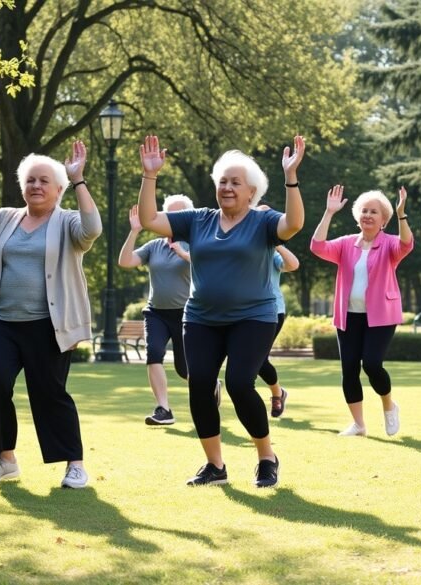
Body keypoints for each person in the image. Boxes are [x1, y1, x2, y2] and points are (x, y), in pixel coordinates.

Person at [137, 134, 305, 488]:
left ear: (251, 193)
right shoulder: (198, 220)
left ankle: (266, 456)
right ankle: (215, 466)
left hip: (253, 317)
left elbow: (293, 225)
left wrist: (291, 177)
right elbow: (151, 219)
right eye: (222, 182)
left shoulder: (263, 222)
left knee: (239, 383)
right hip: (201, 318)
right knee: (199, 385)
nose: (227, 188)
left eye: (235, 183)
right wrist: (149, 175)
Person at [0, 138, 101, 488]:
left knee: (50, 393)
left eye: (44, 180)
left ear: (59, 189)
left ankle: (74, 464)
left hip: (49, 326)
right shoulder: (2, 220)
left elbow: (93, 229)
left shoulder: (68, 223)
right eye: (31, 180)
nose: (36, 185)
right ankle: (5, 459)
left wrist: (80, 180)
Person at [310, 186, 413, 437]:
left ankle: (389, 405)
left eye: (374, 212)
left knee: (373, 364)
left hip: (381, 315)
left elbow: (407, 244)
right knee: (349, 369)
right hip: (348, 316)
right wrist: (329, 212)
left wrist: (402, 214)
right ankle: (359, 425)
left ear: (383, 220)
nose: (368, 215)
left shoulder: (389, 244)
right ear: (358, 216)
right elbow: (317, 246)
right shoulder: (346, 243)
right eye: (364, 211)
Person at [118, 197, 194, 426]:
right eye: (167, 215)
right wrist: (134, 232)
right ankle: (164, 409)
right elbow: (125, 261)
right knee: (153, 354)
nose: (171, 221)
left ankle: (209, 385)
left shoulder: (197, 242)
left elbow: (204, 263)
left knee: (185, 369)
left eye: (177, 216)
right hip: (156, 313)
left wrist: (181, 251)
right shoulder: (154, 246)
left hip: (186, 314)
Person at [257, 241, 299, 418]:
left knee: (258, 359)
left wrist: (276, 243)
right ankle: (278, 393)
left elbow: (293, 265)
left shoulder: (272, 253)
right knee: (253, 359)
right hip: (241, 313)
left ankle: (277, 394)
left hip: (272, 312)